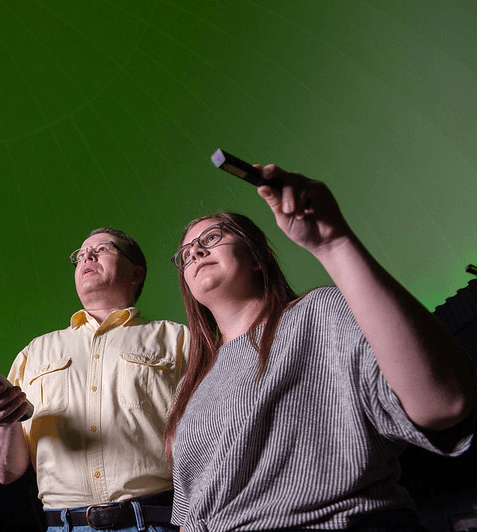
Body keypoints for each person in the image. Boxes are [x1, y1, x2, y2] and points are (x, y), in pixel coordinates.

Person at [165, 164, 476, 532]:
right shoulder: (189, 386)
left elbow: (443, 403)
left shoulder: (319, 313)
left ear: (258, 256)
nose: (196, 252)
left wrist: (334, 242)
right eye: (185, 253)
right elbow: (189, 514)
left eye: (212, 238)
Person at [0, 227, 189, 532]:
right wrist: (2, 420)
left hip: (156, 522)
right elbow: (6, 472)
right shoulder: (34, 352)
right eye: (80, 255)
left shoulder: (178, 339)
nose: (87, 255)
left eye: (103, 249)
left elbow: (216, 438)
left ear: (136, 273)